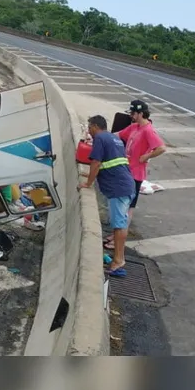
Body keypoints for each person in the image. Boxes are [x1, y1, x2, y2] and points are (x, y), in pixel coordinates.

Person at [78, 115, 136, 278]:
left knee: (119, 225)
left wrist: (88, 183)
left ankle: (118, 261)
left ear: (96, 126)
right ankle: (119, 258)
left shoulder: (100, 138)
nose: (89, 131)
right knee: (121, 224)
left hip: (119, 189)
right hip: (127, 185)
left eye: (90, 127)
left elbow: (96, 163)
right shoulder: (112, 138)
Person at [118, 100, 166, 220]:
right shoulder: (134, 127)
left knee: (129, 205)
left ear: (140, 114)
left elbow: (161, 148)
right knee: (122, 203)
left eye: (133, 113)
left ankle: (121, 232)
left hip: (136, 173)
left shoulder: (148, 130)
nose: (131, 116)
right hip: (127, 170)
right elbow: (118, 135)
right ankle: (117, 231)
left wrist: (147, 156)